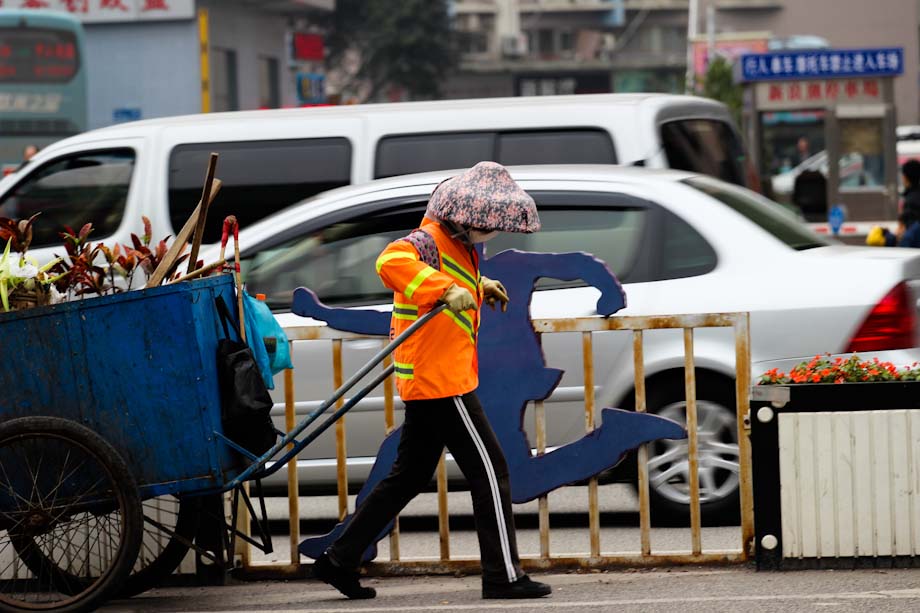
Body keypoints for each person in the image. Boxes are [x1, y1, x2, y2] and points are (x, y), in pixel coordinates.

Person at [311, 161, 552, 601]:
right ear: (464, 218)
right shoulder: (424, 241)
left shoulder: (457, 248)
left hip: (437, 378)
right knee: (491, 472)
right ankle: (503, 576)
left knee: (408, 476)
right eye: (487, 224)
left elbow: (454, 279)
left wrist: (480, 285)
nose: (490, 231)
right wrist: (443, 291)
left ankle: (339, 559)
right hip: (442, 382)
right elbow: (391, 263)